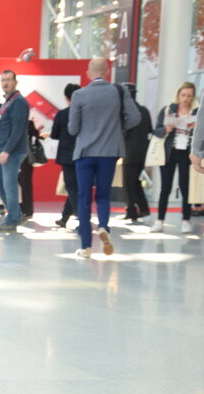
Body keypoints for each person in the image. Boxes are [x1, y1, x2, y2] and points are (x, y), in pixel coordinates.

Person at [68, 57, 140, 258]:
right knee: (103, 195)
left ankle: (86, 246)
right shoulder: (119, 91)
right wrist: (117, 128)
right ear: (107, 72)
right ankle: (103, 227)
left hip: (85, 153)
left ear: (88, 73)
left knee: (84, 197)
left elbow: (73, 129)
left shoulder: (79, 94)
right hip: (109, 152)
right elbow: (135, 117)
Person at [151, 82, 198, 234]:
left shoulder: (197, 112)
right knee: (165, 187)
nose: (185, 99)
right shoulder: (168, 110)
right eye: (183, 95)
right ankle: (159, 220)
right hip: (169, 152)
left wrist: (194, 129)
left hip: (187, 152)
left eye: (189, 96)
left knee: (185, 187)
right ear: (178, 95)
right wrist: (166, 129)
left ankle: (186, 220)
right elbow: (156, 131)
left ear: (193, 97)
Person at [0, 70, 30, 232]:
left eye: (8, 80)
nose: (5, 83)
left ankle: (13, 218)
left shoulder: (19, 102)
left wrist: (7, 150)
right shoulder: (8, 101)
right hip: (2, 150)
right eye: (3, 80)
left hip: (11, 151)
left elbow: (18, 129)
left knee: (9, 185)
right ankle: (15, 214)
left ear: (15, 82)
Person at [120, 82, 152, 221]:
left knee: (128, 183)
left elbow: (124, 133)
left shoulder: (127, 113)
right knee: (135, 181)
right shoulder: (144, 110)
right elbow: (150, 130)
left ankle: (132, 210)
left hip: (129, 152)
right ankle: (143, 208)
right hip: (142, 152)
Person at [51, 83, 80, 229]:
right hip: (81, 154)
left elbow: (54, 134)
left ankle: (81, 217)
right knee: (77, 187)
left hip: (66, 155)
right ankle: (65, 217)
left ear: (66, 98)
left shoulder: (62, 114)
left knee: (72, 187)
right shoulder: (84, 114)